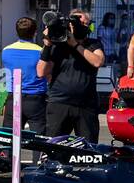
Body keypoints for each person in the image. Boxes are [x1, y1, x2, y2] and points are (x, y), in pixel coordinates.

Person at [38, 13, 104, 142]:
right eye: (83, 23)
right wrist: (47, 45)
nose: (86, 27)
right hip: (59, 102)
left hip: (85, 105)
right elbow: (41, 72)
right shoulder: (58, 44)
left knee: (88, 148)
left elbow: (98, 61)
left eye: (87, 24)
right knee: (53, 146)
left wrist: (75, 44)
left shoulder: (93, 44)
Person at [0, 16, 49, 134]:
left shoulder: (6, 50)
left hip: (13, 98)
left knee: (9, 139)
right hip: (36, 99)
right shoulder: (41, 51)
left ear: (17, 31)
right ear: (35, 33)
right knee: (39, 141)